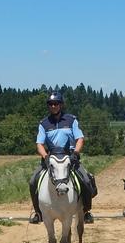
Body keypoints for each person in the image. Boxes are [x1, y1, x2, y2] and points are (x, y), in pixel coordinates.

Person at [29, 92, 97, 224]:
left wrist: (75, 153)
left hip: (69, 158)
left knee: (86, 180)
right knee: (32, 182)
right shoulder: (44, 123)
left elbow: (80, 139)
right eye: (51, 104)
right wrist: (45, 156)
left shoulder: (71, 120)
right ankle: (38, 212)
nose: (53, 106)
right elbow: (39, 144)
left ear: (61, 105)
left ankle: (86, 211)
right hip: (51, 159)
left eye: (56, 104)